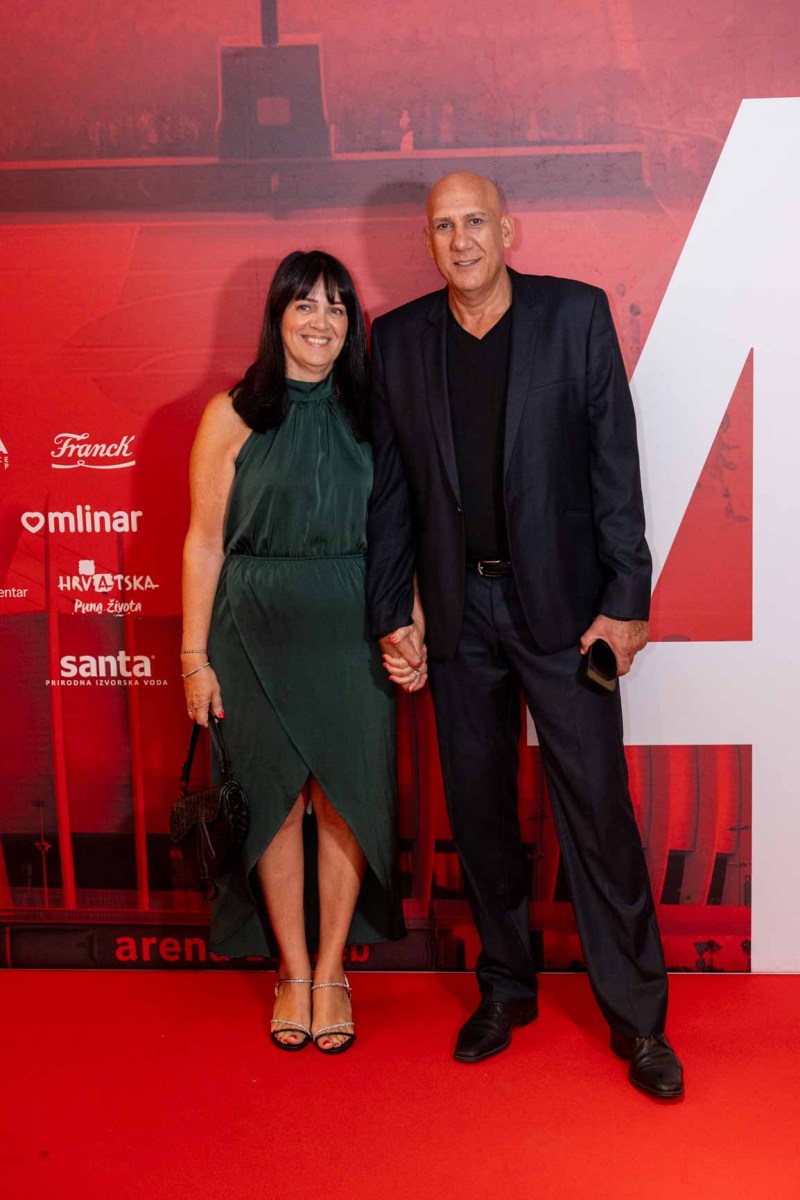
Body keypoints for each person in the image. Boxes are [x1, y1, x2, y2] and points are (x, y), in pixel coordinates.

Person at [367, 172, 683, 1098]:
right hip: (457, 617)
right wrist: (392, 608)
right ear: (428, 242)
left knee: (598, 812)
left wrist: (626, 601)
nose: (460, 240)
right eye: (443, 227)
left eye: (475, 221)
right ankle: (507, 988)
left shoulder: (574, 316)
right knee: (480, 815)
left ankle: (640, 1022)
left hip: (567, 616)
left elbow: (615, 464)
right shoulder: (398, 340)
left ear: (509, 230)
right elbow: (391, 491)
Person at [181, 250, 406, 1054]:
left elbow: (404, 533)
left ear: (353, 325)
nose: (322, 321)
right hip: (252, 630)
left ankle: (334, 970)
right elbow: (205, 542)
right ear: (276, 317)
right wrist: (193, 657)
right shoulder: (232, 415)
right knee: (274, 801)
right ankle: (294, 970)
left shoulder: (376, 415)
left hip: (352, 630)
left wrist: (407, 618)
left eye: (338, 307)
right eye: (305, 305)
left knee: (345, 797)